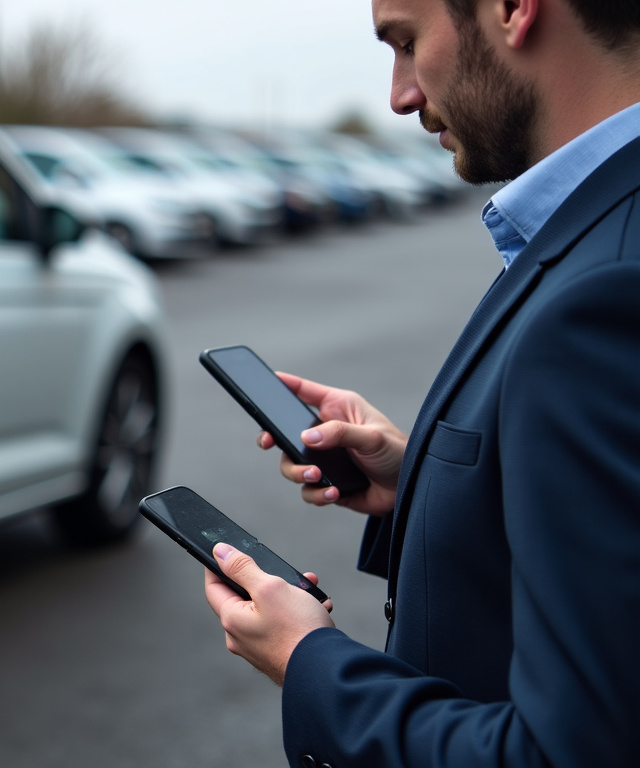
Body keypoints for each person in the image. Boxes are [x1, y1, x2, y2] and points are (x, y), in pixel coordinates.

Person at [200, 0, 640, 765]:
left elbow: (569, 751)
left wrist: (309, 660)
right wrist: (427, 477)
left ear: (511, 9)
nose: (400, 94)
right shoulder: (605, 227)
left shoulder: (605, 291)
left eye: (405, 41)